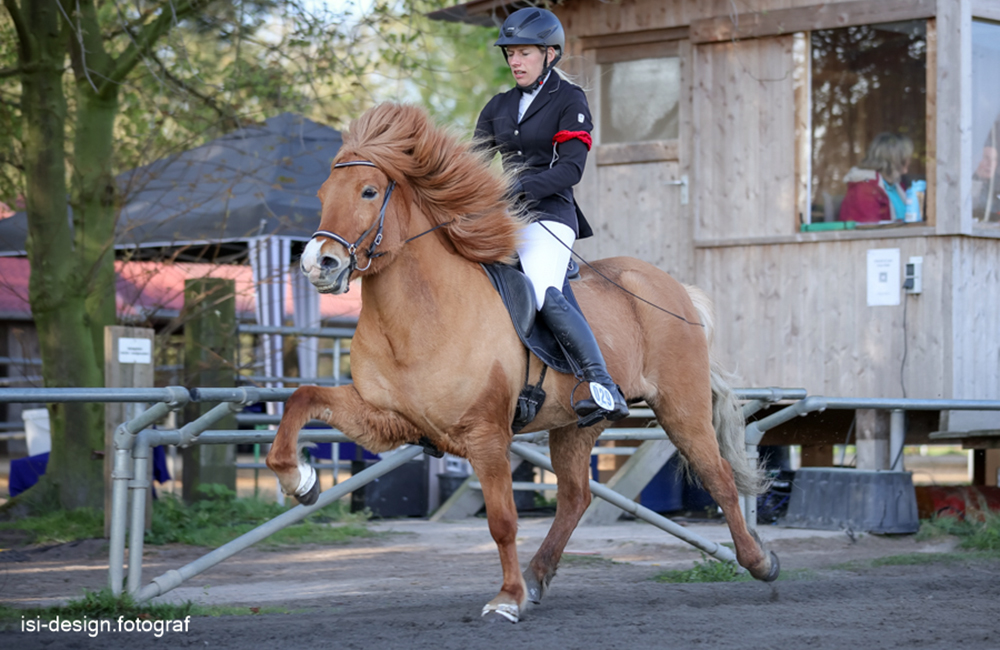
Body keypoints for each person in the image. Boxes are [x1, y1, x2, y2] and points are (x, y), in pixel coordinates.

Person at [474, 7, 628, 425]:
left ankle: (601, 384)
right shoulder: (498, 106)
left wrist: (515, 189)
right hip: (509, 220)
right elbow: (472, 165)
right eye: (510, 54)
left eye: (523, 52)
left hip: (550, 217)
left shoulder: (568, 100)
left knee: (541, 291)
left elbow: (569, 171)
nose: (515, 62)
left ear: (550, 54)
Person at [838, 133, 914, 223]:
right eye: (904, 160)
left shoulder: (896, 185)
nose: (905, 171)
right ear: (893, 161)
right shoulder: (864, 189)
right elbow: (868, 231)